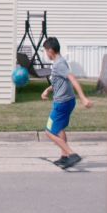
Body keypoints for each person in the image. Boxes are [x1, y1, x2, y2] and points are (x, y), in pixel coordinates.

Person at [40, 37, 93, 168]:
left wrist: (83, 98)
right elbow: (60, 81)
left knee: (49, 132)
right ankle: (64, 157)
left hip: (61, 104)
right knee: (59, 129)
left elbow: (72, 79)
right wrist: (47, 90)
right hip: (68, 101)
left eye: (46, 51)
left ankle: (71, 154)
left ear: (51, 50)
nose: (46, 54)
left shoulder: (59, 64)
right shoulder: (61, 61)